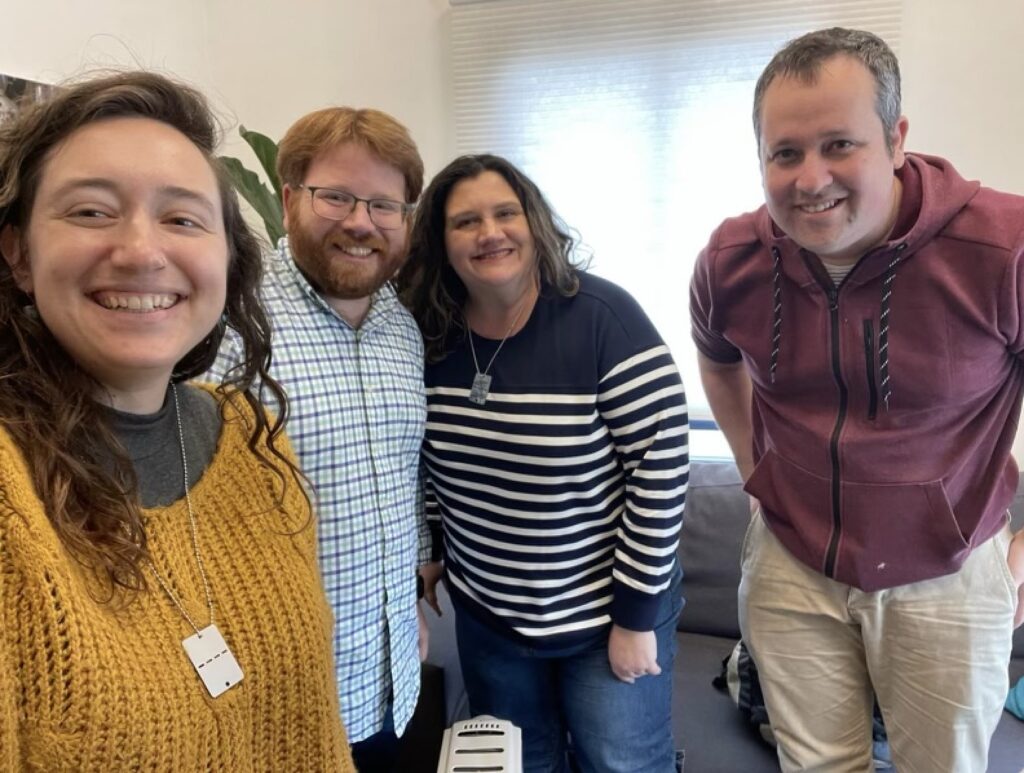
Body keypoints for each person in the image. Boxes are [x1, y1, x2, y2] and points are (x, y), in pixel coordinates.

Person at [690, 27, 1024, 772]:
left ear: (896, 139)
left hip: (948, 572)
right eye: (785, 153)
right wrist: (755, 471)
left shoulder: (1004, 247)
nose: (811, 179)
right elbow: (716, 357)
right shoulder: (730, 259)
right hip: (791, 566)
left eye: (839, 145)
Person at [0, 72, 353, 771]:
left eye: (183, 219)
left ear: (226, 256)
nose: (140, 251)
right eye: (92, 211)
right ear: (19, 254)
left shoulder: (253, 441)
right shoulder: (14, 501)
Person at [396, 154, 689, 773]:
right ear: (441, 242)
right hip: (488, 619)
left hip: (604, 618)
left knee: (623, 765)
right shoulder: (428, 333)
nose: (490, 233)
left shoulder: (604, 319)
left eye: (505, 213)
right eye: (466, 221)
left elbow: (659, 471)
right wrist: (432, 549)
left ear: (534, 222)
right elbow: (426, 458)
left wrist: (636, 618)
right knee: (521, 765)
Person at [207, 106, 433, 771]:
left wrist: (408, 601)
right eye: (336, 196)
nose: (361, 222)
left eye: (384, 205)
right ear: (288, 200)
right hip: (278, 703)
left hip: (392, 680)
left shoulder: (403, 329)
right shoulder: (227, 324)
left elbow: (402, 474)